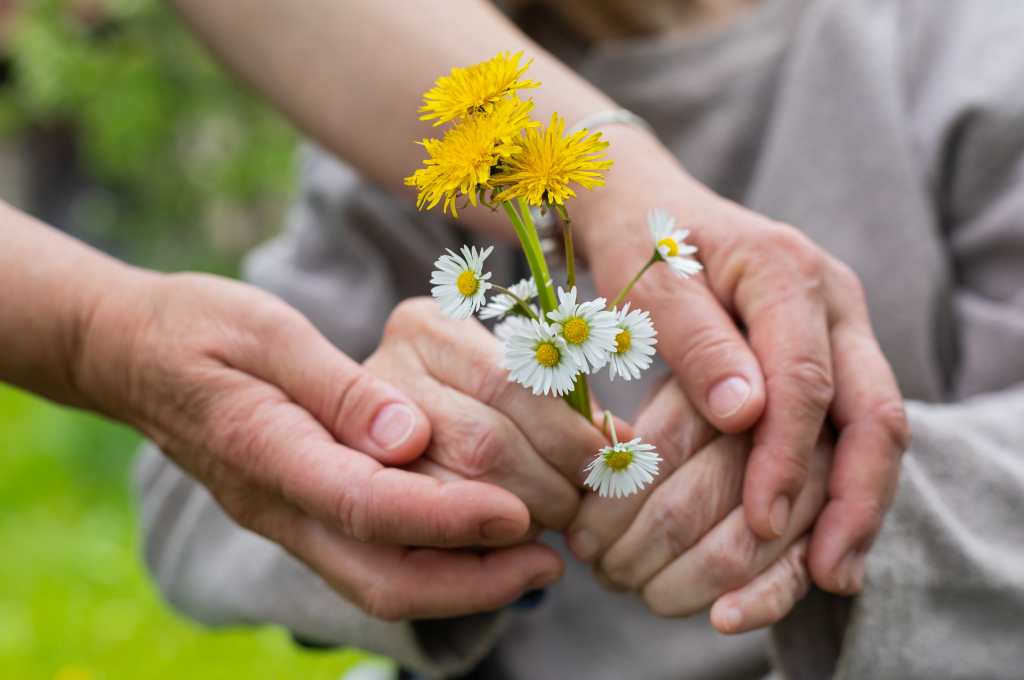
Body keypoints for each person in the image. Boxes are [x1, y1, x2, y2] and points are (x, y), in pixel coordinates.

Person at [139, 0, 1024, 679]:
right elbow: (185, 484)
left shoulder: (966, 47)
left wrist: (848, 502)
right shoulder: (406, 124)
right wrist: (385, 455)